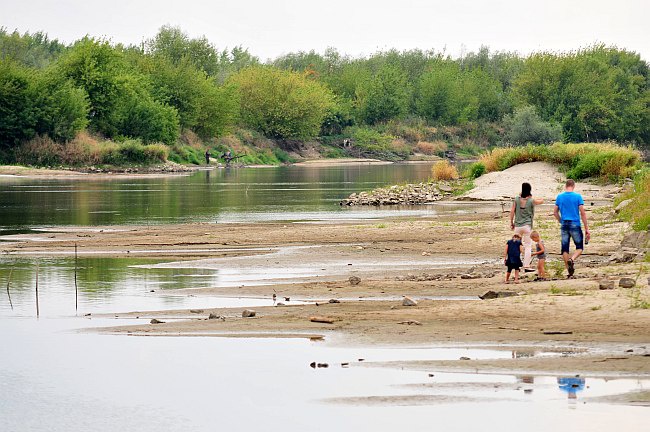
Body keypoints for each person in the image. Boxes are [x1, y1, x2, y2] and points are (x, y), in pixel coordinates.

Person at [554, 179, 590, 278]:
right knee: (579, 247)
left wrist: (561, 221)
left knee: (564, 249)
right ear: (573, 186)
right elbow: (582, 213)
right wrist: (587, 228)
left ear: (565, 186)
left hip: (564, 224)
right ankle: (572, 259)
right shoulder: (577, 197)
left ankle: (569, 272)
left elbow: (555, 212)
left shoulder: (560, 197)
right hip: (575, 223)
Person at [509, 183, 544, 271]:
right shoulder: (531, 200)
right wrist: (532, 197)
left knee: (516, 245)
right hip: (527, 225)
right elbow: (541, 201)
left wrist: (511, 222)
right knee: (528, 245)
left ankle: (515, 264)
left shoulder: (516, 199)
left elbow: (512, 211)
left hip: (517, 225)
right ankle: (526, 265)